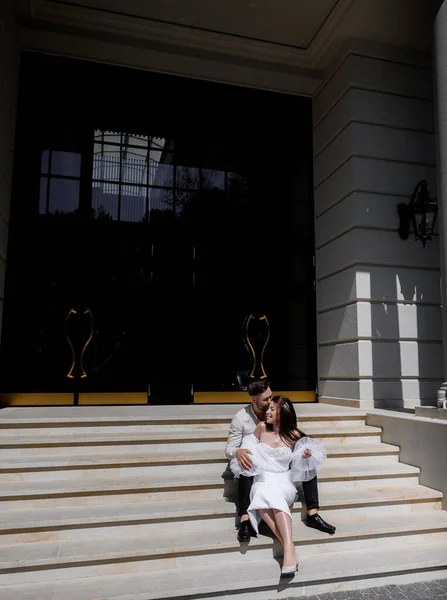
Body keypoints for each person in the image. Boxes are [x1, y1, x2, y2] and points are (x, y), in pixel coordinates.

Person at [225, 380, 335, 543]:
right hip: (257, 458)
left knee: (307, 462)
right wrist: (238, 451)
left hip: (280, 461)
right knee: (245, 466)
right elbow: (229, 449)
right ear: (253, 400)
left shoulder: (278, 412)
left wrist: (305, 451)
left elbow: (294, 436)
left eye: (271, 398)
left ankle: (312, 513)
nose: (270, 402)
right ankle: (245, 519)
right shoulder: (241, 419)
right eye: (266, 400)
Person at [229, 395, 327, 575]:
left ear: (283, 412)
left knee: (268, 496)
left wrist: (305, 454)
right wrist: (241, 450)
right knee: (260, 494)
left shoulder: (294, 435)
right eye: (268, 408)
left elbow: (304, 458)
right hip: (263, 479)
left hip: (284, 481)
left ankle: (290, 547)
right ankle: (290, 549)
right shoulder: (260, 428)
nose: (267, 412)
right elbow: (248, 446)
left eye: (272, 409)